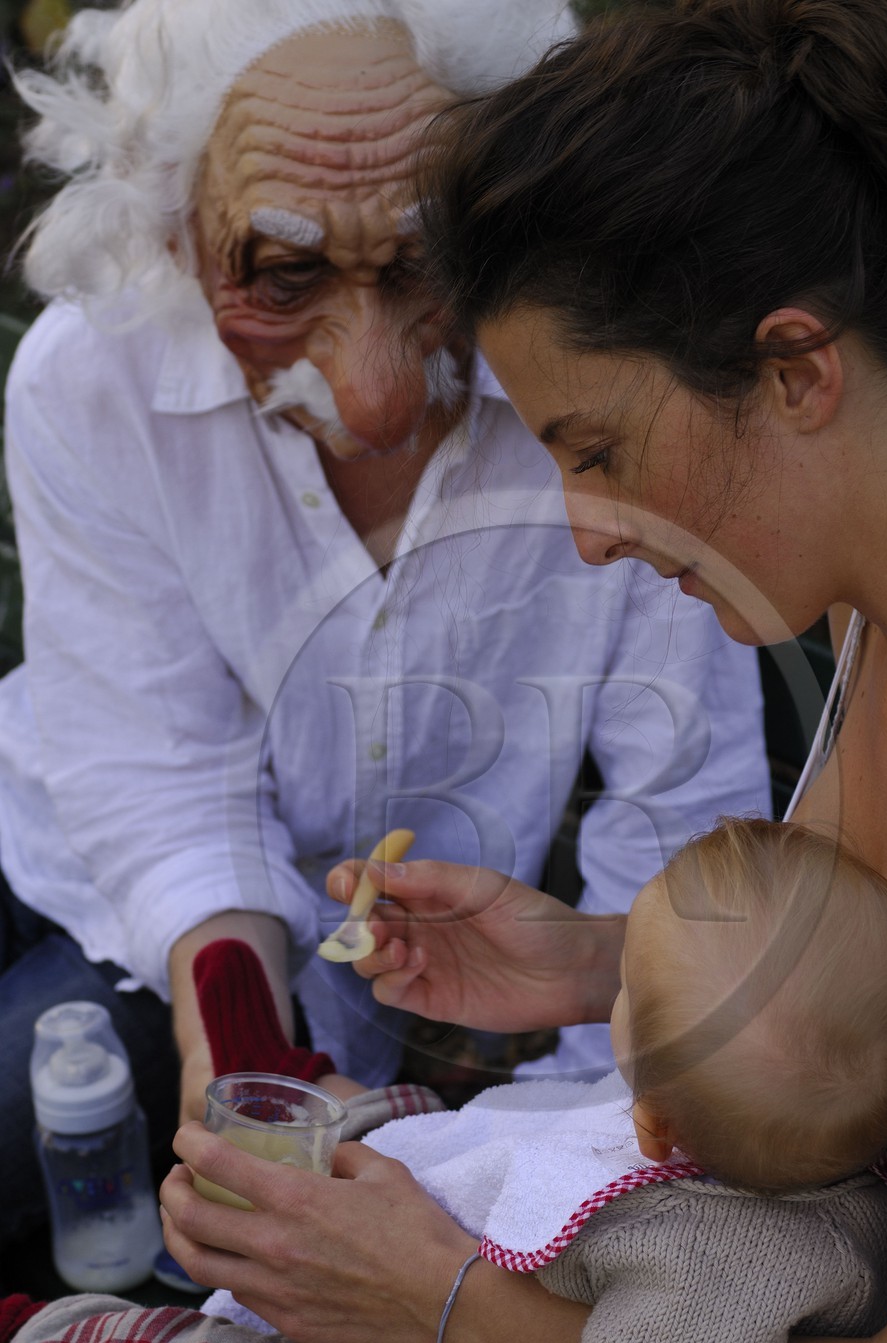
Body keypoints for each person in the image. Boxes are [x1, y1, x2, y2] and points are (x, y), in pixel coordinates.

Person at [155, 0, 887, 1343]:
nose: (582, 534)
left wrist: (439, 1300)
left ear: (794, 371)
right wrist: (598, 968)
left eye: (597, 449)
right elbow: (875, 1028)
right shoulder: (871, 614)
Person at [0, 0, 770, 1249]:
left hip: (459, 971)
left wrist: (568, 1147)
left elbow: (682, 811)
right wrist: (239, 1049)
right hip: (111, 898)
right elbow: (158, 778)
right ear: (172, 226)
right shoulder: (91, 383)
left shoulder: (615, 384)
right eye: (283, 273)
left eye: (426, 262)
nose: (375, 393)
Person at [0, 819, 887, 1343]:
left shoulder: (713, 1277)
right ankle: (303, 1089)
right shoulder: (783, 1141)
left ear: (653, 1126)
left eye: (624, 986)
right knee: (461, 1130)